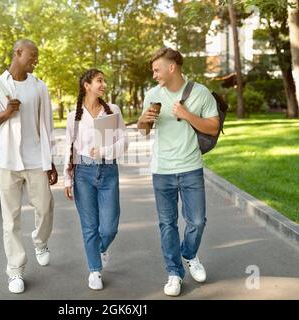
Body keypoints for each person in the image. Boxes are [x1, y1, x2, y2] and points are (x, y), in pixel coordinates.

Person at [0, 39, 58, 294]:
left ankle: (40, 242)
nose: (36, 60)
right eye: (32, 55)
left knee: (45, 207)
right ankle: (15, 270)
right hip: (7, 160)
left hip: (35, 160)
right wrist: (5, 114)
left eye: (37, 56)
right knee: (10, 220)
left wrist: (50, 160)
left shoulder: (39, 87)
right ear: (17, 53)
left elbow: (47, 125)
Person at [137, 47, 219, 297]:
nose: (154, 75)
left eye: (156, 69)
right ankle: (174, 273)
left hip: (191, 167)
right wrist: (144, 119)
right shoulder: (152, 94)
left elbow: (214, 127)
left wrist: (187, 115)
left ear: (171, 67)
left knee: (196, 220)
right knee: (167, 223)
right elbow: (143, 130)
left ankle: (190, 254)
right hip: (162, 170)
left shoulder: (201, 93)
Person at [64, 69, 128, 290]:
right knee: (89, 226)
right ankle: (94, 270)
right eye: (99, 81)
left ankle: (100, 249)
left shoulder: (113, 111)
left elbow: (124, 143)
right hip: (83, 174)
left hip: (108, 171)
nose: (104, 84)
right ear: (87, 85)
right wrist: (67, 179)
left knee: (110, 226)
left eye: (104, 81)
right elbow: (68, 148)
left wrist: (104, 150)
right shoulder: (74, 115)